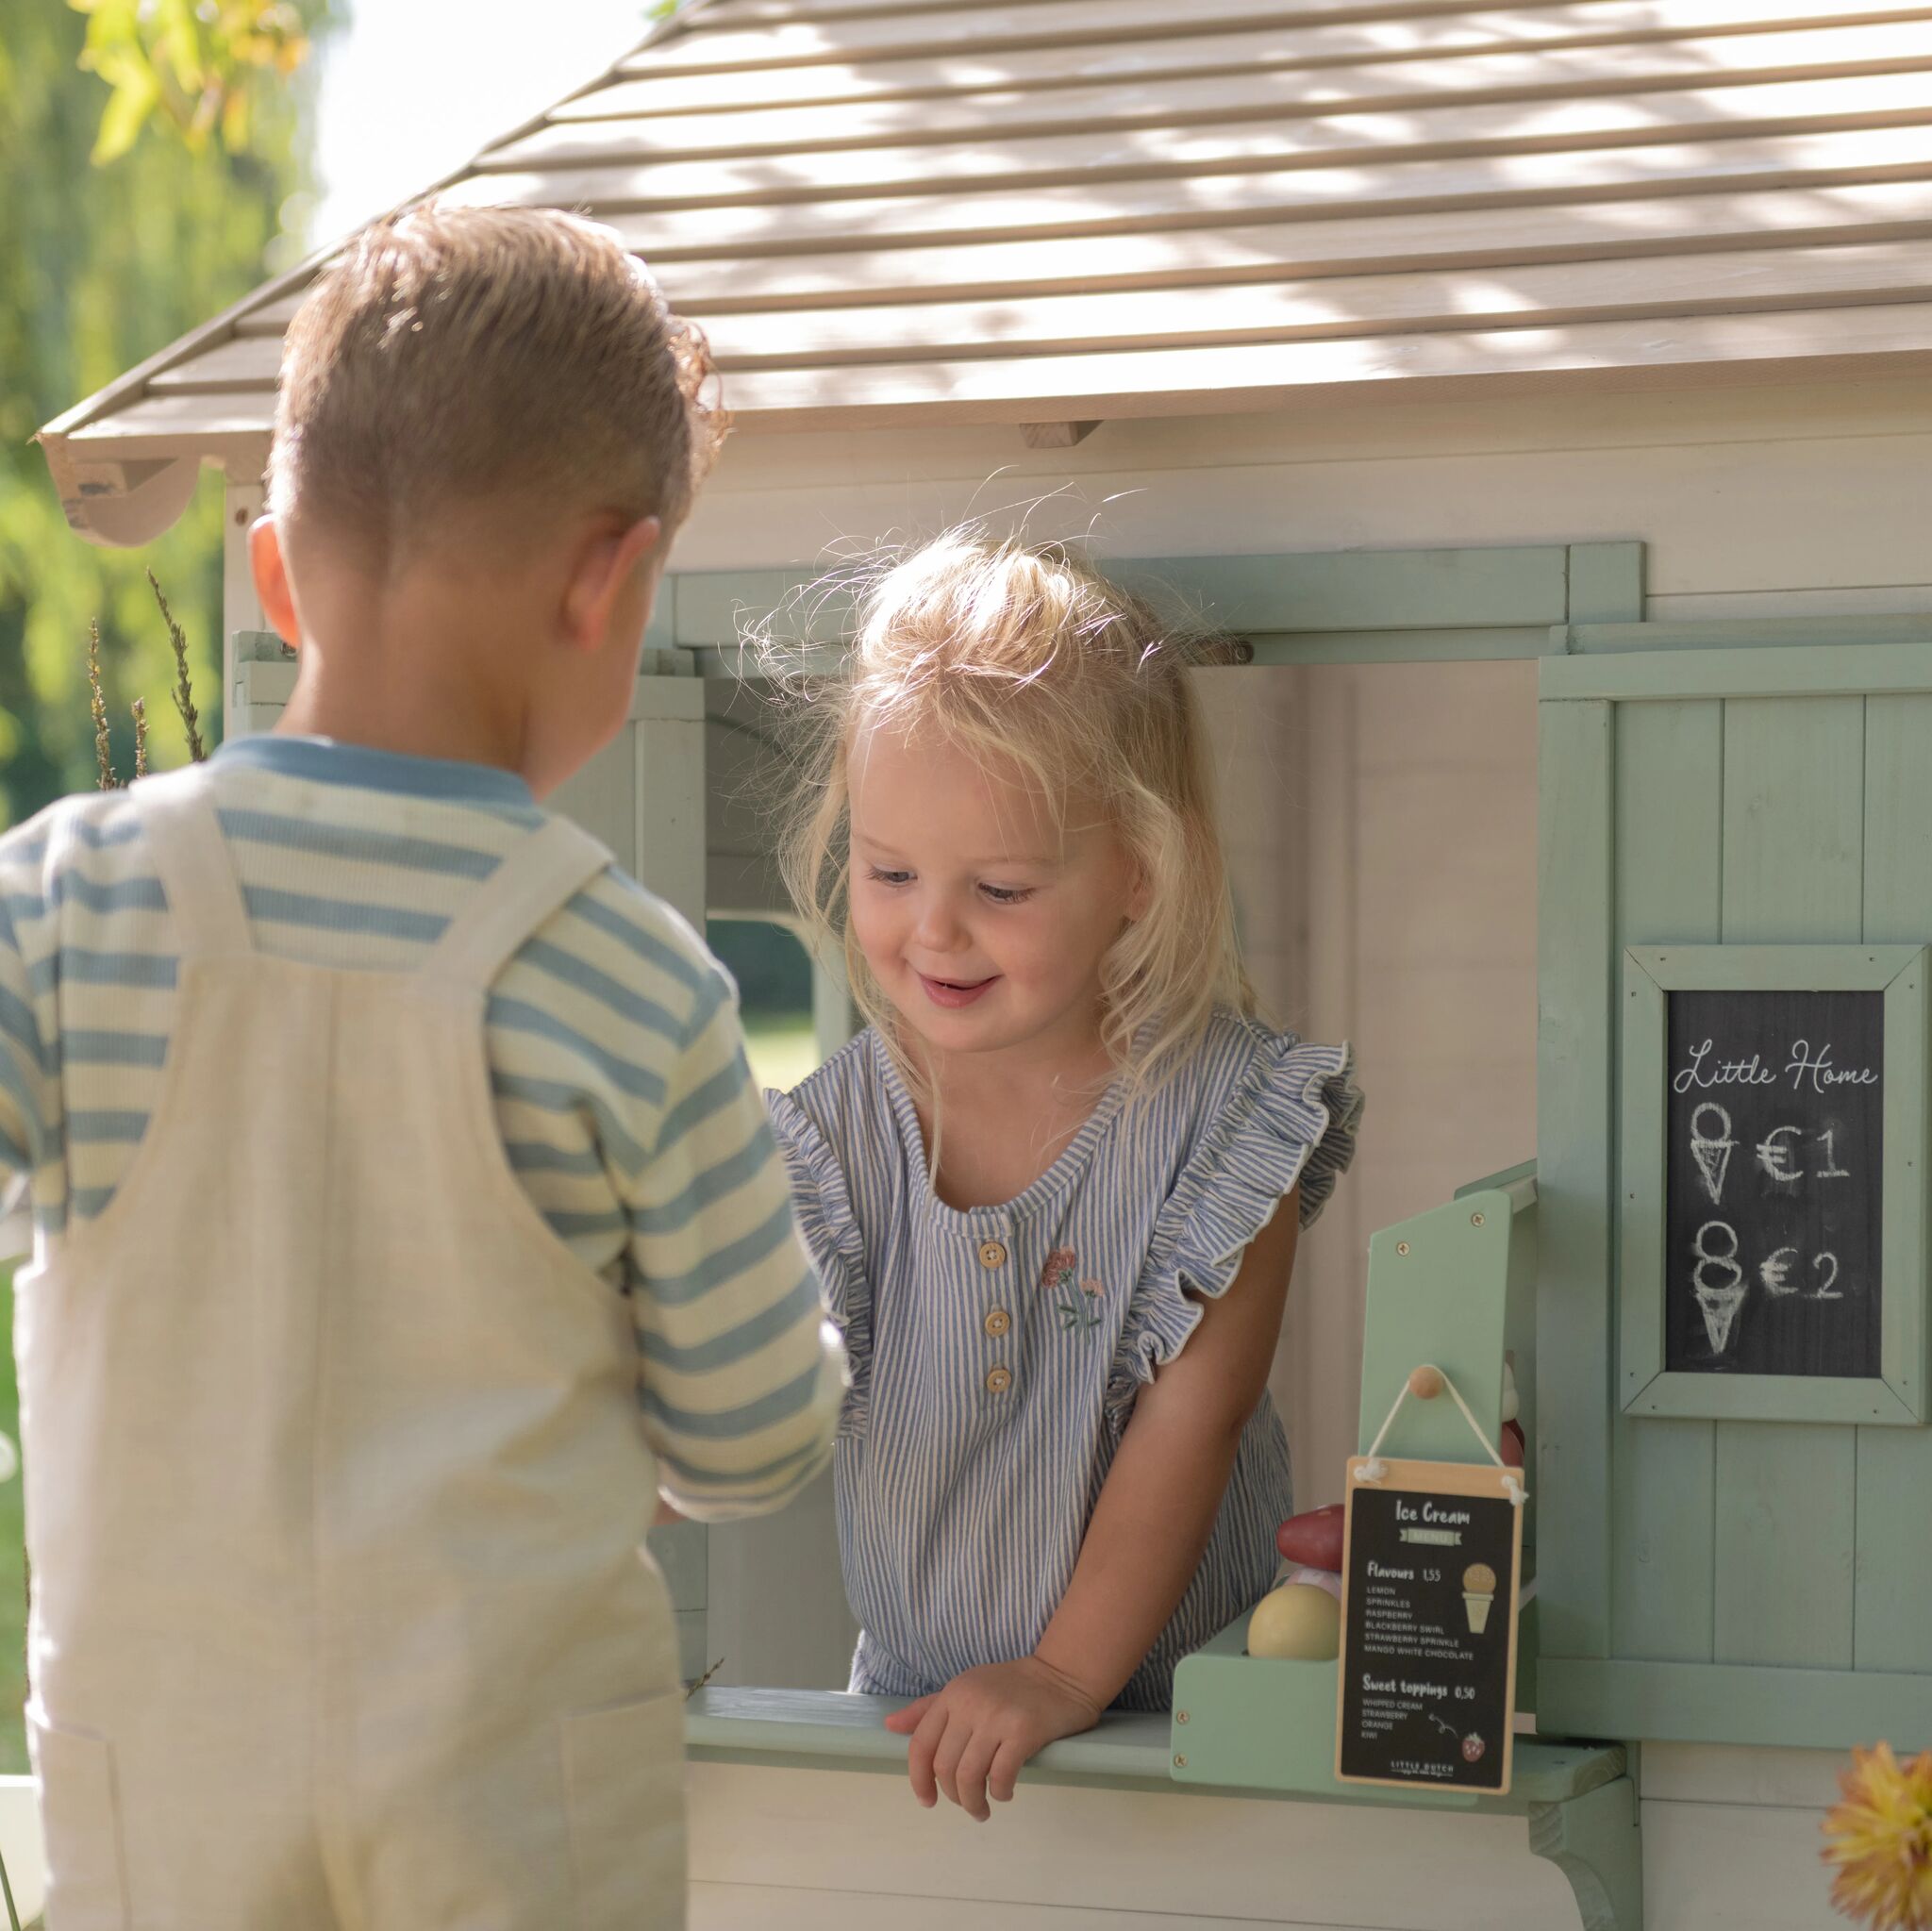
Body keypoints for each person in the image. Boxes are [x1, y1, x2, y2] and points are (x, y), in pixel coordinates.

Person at [0, 204, 845, 1929]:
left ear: (274, 573)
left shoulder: (66, 907)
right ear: (606, 583)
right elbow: (758, 1435)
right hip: (508, 1791)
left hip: (157, 1778)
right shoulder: (637, 989)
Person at [763, 532, 1363, 1823]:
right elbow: (753, 1378)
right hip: (915, 1726)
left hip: (1184, 1732)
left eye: (1002, 886)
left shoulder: (1229, 1123)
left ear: (1136, 871)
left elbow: (1189, 1429)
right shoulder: (829, 1141)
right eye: (888, 873)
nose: (933, 928)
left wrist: (1056, 1673)